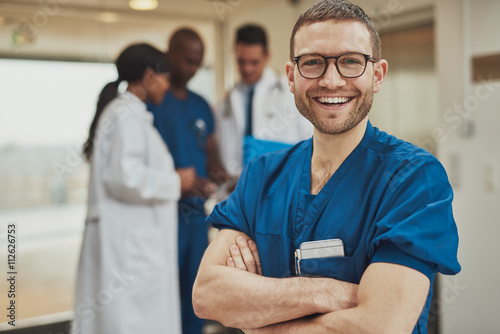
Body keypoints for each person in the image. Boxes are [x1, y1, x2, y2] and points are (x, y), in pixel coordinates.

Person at [192, 1, 461, 333]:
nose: (331, 81)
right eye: (313, 63)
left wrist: (259, 321)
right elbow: (207, 295)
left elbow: (380, 326)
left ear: (377, 75)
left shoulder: (414, 180)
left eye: (350, 61)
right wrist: (326, 291)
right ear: (291, 77)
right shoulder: (261, 176)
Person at [73, 43, 195, 334]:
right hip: (127, 245)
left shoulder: (131, 114)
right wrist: (177, 181)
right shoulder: (125, 115)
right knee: (128, 321)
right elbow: (124, 177)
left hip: (133, 241)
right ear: (149, 76)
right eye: (164, 77)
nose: (167, 85)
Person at [148, 28, 229, 334]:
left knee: (194, 295)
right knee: (161, 295)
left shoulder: (201, 105)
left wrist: (232, 181)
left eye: (198, 62)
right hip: (159, 216)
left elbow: (211, 160)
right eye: (188, 60)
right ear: (170, 53)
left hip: (195, 217)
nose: (193, 69)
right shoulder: (153, 99)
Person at [216, 24, 312, 177]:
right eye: (242, 61)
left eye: (254, 62)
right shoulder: (225, 102)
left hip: (282, 182)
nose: (247, 69)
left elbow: (310, 142)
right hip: (237, 187)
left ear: (267, 56)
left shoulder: (290, 92)